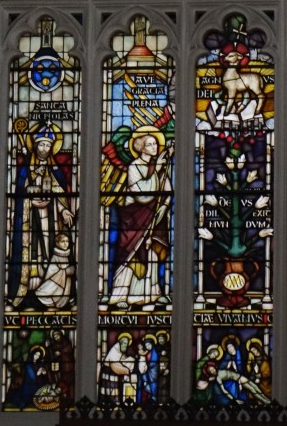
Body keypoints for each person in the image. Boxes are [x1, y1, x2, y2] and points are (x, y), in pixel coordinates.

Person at [8, 123, 74, 309]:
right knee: (33, 253)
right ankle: (28, 292)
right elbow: (19, 194)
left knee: (49, 252)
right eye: (42, 145)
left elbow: (59, 193)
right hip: (30, 220)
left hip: (51, 220)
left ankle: (51, 293)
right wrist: (29, 201)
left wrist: (64, 210)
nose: (44, 149)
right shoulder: (25, 170)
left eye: (48, 145)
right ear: (35, 146)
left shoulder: (54, 170)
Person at [109, 126, 171, 309]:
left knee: (151, 254)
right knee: (130, 255)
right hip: (134, 219)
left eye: (155, 144)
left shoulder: (158, 167)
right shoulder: (134, 167)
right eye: (150, 144)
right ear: (141, 148)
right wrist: (156, 170)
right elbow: (141, 194)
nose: (154, 147)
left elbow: (167, 190)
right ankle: (121, 296)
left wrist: (165, 205)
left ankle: (151, 294)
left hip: (154, 217)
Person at [34, 231, 75, 308]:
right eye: (63, 241)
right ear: (57, 243)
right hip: (53, 286)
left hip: (64, 285)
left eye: (67, 241)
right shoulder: (55, 257)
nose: (65, 243)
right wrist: (66, 271)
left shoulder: (66, 256)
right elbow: (51, 273)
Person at [98, 334, 134, 403]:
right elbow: (115, 366)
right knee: (110, 392)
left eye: (126, 344)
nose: (125, 345)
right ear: (120, 342)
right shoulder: (114, 350)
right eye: (124, 343)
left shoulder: (120, 351)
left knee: (114, 392)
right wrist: (127, 370)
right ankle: (109, 404)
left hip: (113, 375)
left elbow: (123, 361)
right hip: (108, 374)